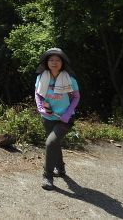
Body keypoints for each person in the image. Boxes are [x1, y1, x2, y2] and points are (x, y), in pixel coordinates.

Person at [34, 47, 80, 190]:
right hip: (47, 117)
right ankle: (60, 169)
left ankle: (47, 176)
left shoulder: (69, 79)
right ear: (46, 62)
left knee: (50, 142)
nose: (54, 62)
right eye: (51, 59)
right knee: (54, 143)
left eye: (57, 60)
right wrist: (41, 107)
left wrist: (67, 114)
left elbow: (76, 97)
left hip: (64, 119)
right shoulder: (41, 77)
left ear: (62, 62)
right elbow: (38, 94)